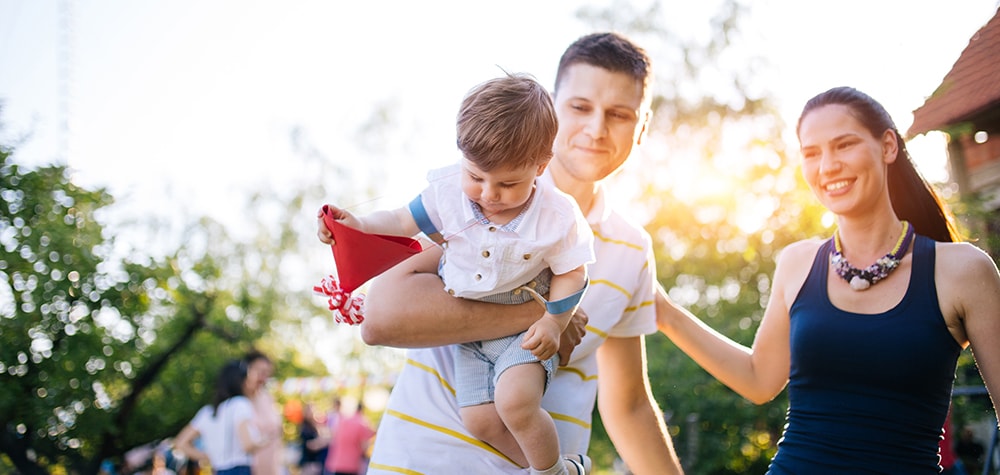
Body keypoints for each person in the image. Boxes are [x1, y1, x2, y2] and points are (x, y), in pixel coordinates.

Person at [337, 32, 683, 474]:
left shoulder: (632, 248)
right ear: (554, 108)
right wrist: (544, 316)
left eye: (618, 114)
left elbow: (630, 404)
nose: (596, 129)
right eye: (580, 107)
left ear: (643, 126)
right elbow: (380, 316)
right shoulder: (478, 195)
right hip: (425, 463)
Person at [655, 86, 1000, 473]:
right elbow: (759, 380)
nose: (827, 165)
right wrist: (666, 314)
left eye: (844, 145)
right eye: (811, 153)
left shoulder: (962, 270)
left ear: (888, 146)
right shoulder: (797, 263)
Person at [318, 72, 594, 475]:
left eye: (508, 183)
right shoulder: (448, 193)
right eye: (476, 176)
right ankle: (562, 469)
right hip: (470, 332)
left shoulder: (555, 216)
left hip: (523, 325)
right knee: (481, 421)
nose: (487, 194)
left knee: (515, 402)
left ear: (540, 165)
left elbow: (574, 271)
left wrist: (555, 321)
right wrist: (356, 224)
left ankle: (548, 473)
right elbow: (399, 220)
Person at [174, 359, 276, 475]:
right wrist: (264, 441)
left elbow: (180, 443)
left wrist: (208, 456)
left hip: (218, 470)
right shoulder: (240, 404)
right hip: (239, 469)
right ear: (241, 381)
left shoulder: (207, 412)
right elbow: (247, 445)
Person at [243, 350, 284, 475]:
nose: (263, 377)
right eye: (259, 371)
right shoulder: (239, 401)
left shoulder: (267, 397)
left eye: (266, 373)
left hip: (272, 466)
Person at [326, 401, 376, 475]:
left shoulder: (342, 421)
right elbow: (364, 446)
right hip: (351, 465)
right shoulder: (362, 423)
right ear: (363, 410)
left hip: (336, 463)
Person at [297, 403, 327, 475]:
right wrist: (324, 441)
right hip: (309, 463)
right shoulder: (305, 427)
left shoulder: (315, 426)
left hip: (316, 462)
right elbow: (310, 445)